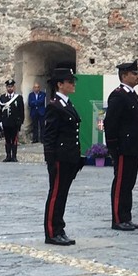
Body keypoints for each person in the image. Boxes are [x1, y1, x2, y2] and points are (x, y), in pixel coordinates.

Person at [42, 68, 82, 246]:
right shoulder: (54, 105)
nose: (73, 84)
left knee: (62, 195)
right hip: (59, 158)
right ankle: (52, 231)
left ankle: (59, 228)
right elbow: (49, 136)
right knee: (56, 194)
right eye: (69, 81)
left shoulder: (67, 103)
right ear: (60, 84)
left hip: (68, 158)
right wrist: (51, 159)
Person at [104, 61, 138, 231]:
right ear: (124, 76)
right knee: (121, 183)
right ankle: (118, 219)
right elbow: (111, 123)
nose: (137, 76)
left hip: (133, 146)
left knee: (129, 182)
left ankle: (126, 216)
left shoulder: (133, 95)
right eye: (134, 74)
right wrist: (113, 147)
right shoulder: (118, 95)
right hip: (122, 147)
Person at [0, 78, 25, 162]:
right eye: (8, 87)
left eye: (11, 86)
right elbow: (0, 111)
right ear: (6, 88)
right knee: (7, 140)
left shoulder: (18, 98)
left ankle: (14, 156)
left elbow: (21, 111)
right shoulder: (2, 98)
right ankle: (8, 155)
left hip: (14, 123)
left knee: (14, 140)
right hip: (6, 122)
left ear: (14, 87)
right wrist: (0, 121)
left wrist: (20, 122)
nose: (10, 88)